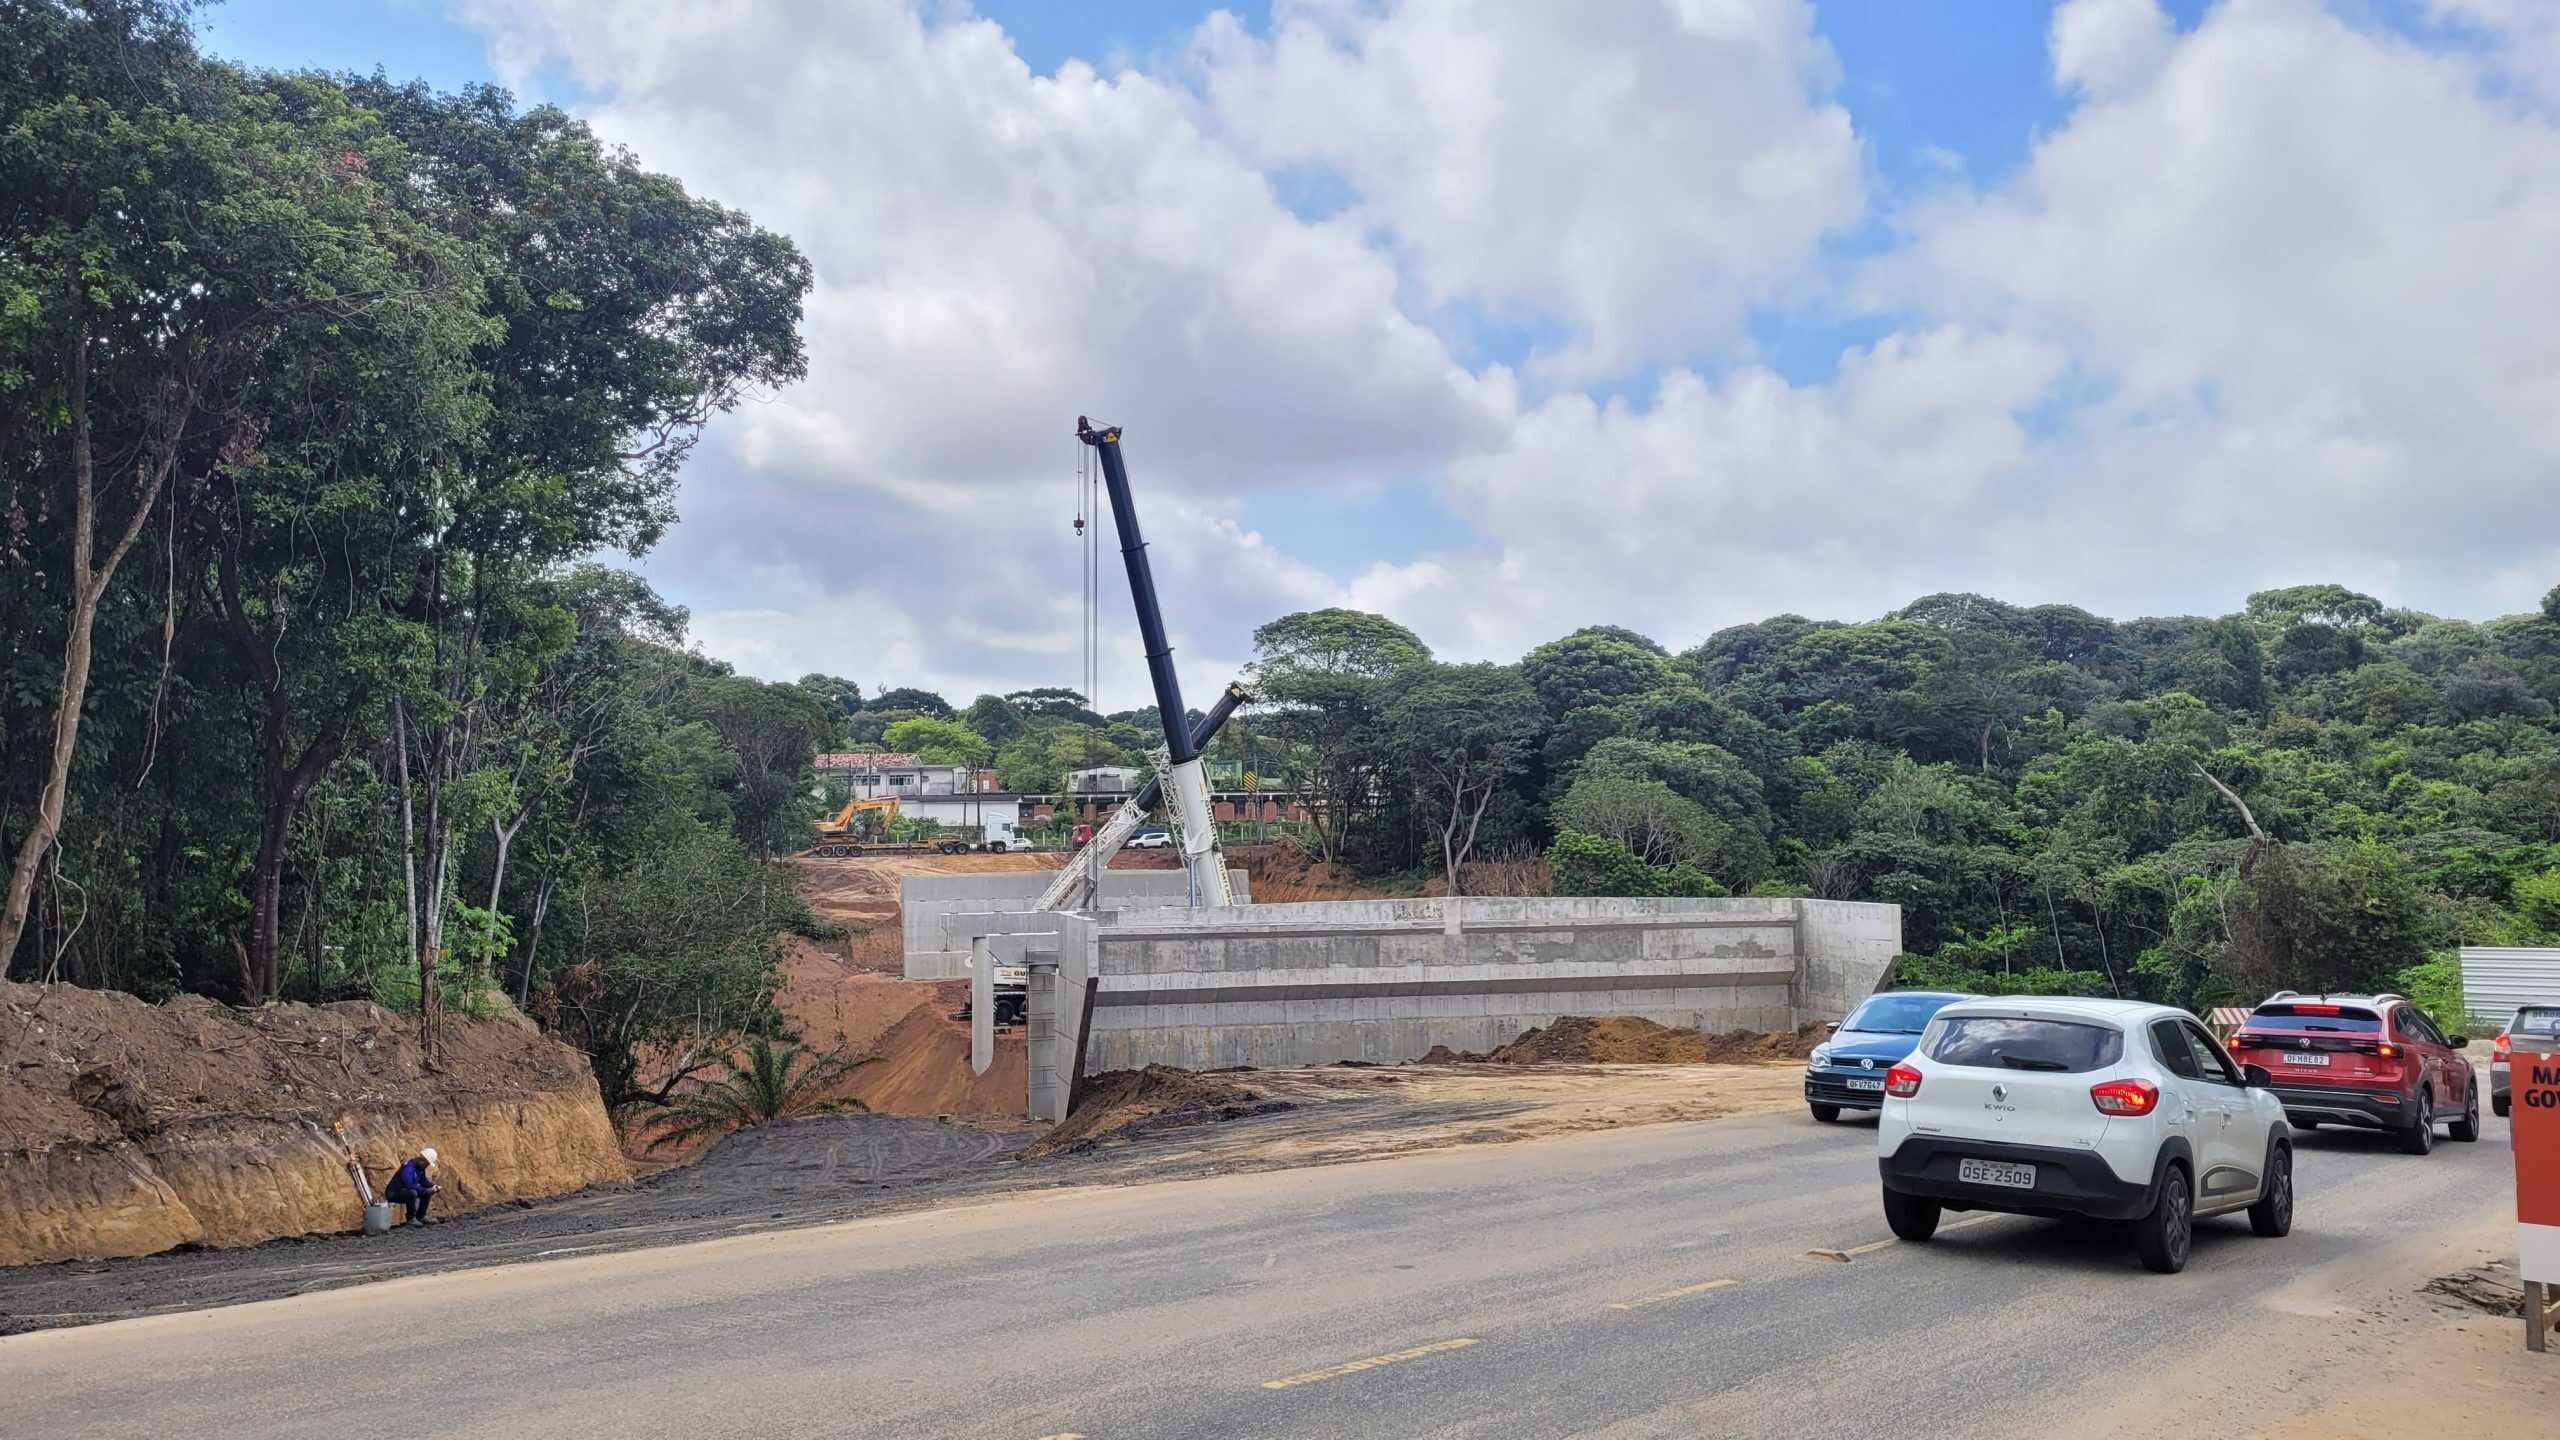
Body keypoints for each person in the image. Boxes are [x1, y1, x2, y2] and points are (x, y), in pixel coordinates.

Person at [384, 1147, 439, 1225]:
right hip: (393, 1193)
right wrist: (426, 1190)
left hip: (404, 1191)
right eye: (426, 1164)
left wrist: (433, 1187)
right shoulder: (408, 1168)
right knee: (412, 1193)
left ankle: (421, 1216)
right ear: (422, 1160)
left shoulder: (420, 1167)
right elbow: (409, 1185)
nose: (426, 1166)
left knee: (426, 1191)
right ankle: (410, 1218)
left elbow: (423, 1181)